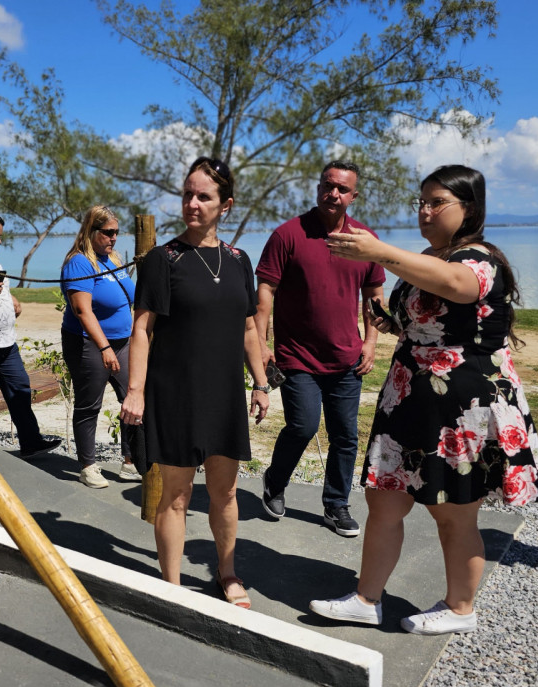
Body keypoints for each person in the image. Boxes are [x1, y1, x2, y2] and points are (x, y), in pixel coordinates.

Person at [309, 164, 538, 635]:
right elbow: (429, 316)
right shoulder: (429, 255)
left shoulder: (479, 260)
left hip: (460, 405)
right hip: (411, 396)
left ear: (471, 209)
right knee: (383, 499)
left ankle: (461, 608)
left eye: (436, 202)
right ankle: (366, 598)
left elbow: (456, 286)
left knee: (453, 511)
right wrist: (391, 322)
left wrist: (378, 251)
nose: (425, 211)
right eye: (420, 202)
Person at [121, 157, 270, 609]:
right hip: (176, 394)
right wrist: (135, 390)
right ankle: (172, 586)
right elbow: (141, 330)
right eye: (187, 193)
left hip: (223, 395)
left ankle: (227, 573)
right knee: (177, 494)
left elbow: (249, 329)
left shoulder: (240, 260)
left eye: (203, 196)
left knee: (224, 493)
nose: (192, 203)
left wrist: (261, 382)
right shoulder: (163, 260)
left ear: (226, 205)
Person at [255, 160, 385, 536]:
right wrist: (262, 345)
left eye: (343, 189)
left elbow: (374, 296)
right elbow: (265, 292)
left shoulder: (364, 240)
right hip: (298, 357)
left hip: (346, 359)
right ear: (318, 188)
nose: (334, 194)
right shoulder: (288, 234)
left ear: (353, 196)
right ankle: (275, 482)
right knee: (303, 425)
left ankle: (336, 505)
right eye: (328, 186)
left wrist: (370, 341)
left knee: (345, 435)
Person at [60, 205, 139, 488]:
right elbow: (82, 311)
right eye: (108, 233)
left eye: (117, 232)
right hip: (88, 343)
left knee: (133, 400)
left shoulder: (112, 259)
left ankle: (130, 463)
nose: (114, 238)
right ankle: (88, 466)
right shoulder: (79, 262)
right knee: (89, 405)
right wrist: (104, 348)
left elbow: (131, 296)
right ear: (91, 231)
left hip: (122, 342)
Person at [0, 209, 62, 459]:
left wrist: (10, 298)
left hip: (6, 344)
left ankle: (31, 443)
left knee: (20, 392)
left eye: (0, 236)